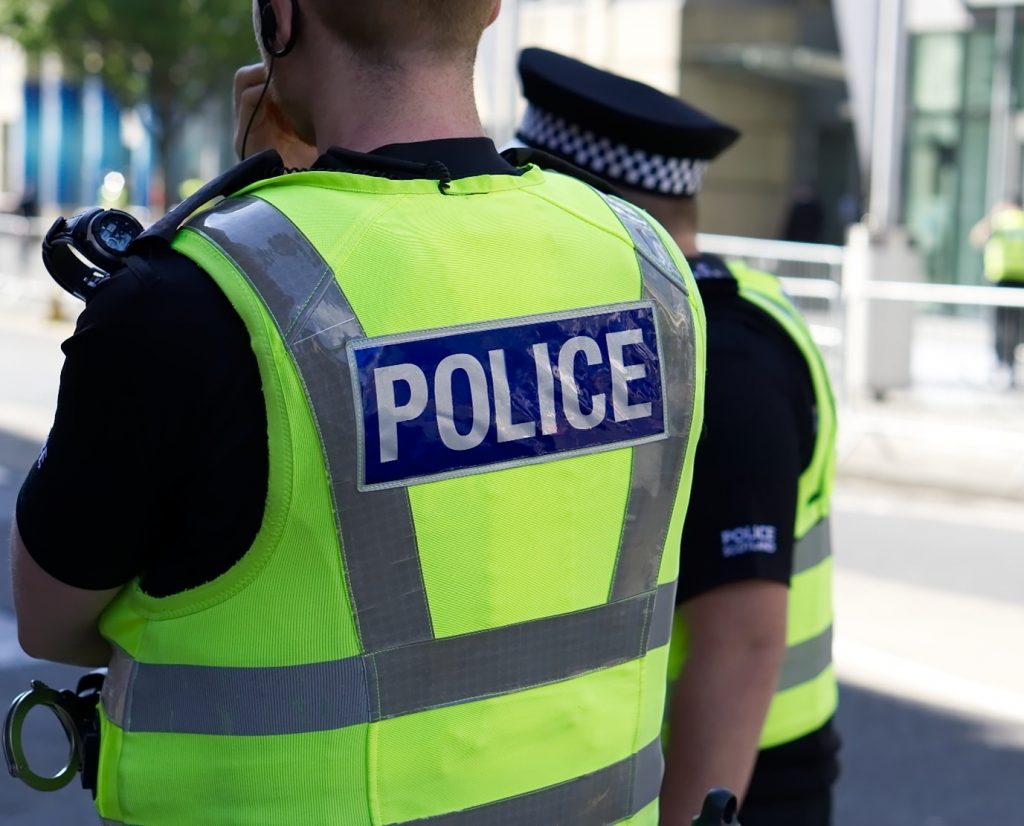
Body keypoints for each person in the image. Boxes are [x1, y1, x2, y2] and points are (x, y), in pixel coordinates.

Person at [10, 2, 707, 824]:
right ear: (487, 10)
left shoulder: (190, 305)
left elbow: (51, 618)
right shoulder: (644, 267)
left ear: (280, 19)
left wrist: (270, 202)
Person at [513, 49, 839, 826]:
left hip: (736, 782)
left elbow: (742, 644)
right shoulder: (683, 319)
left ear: (592, 206)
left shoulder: (720, 357)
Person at [970, 196, 1024, 387]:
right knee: (1016, 327)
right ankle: (1008, 366)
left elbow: (976, 237)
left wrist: (993, 215)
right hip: (1021, 280)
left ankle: (1002, 365)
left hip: (1001, 279)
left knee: (1000, 326)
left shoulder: (999, 220)